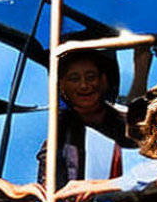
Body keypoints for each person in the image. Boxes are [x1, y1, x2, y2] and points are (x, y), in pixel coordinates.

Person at [37, 48, 149, 188]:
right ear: (62, 86)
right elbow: (49, 189)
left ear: (103, 81)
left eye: (91, 77)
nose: (84, 86)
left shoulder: (129, 125)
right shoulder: (56, 134)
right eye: (74, 79)